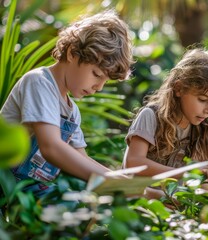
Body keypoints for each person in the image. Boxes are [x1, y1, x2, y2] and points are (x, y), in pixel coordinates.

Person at [0, 10, 134, 197]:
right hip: (5, 184)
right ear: (72, 53)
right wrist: (116, 182)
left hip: (30, 191)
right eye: (96, 74)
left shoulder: (72, 112)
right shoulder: (39, 82)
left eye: (105, 81)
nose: (99, 87)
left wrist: (128, 183)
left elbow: (81, 159)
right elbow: (51, 147)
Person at [123, 48, 208, 199]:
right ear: (179, 88)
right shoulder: (151, 116)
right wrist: (189, 171)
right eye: (203, 100)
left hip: (178, 202)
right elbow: (133, 162)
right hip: (141, 200)